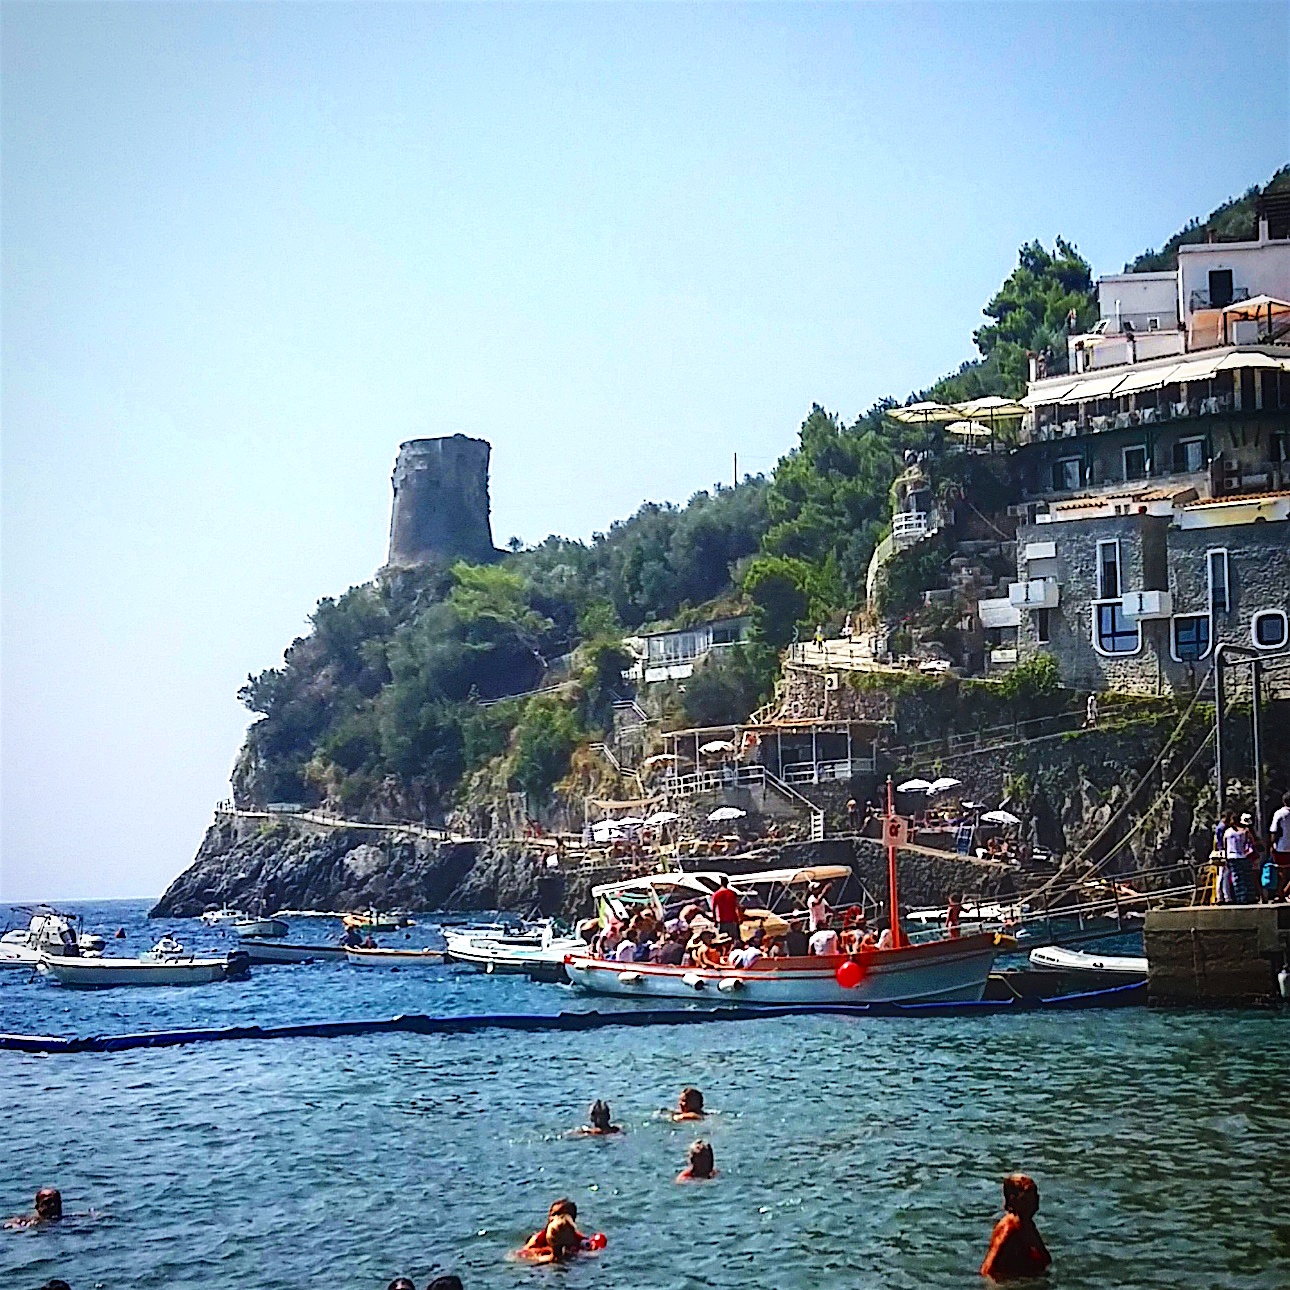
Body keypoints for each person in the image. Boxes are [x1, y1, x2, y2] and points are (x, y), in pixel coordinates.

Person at [980, 1174, 1051, 1282]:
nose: (1036, 1199)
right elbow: (987, 1268)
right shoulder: (1009, 1226)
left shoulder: (1027, 1224)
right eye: (1028, 1195)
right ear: (1013, 1199)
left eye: (1035, 1193)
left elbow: (1046, 1260)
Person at [1226, 813, 1258, 904]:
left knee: (1237, 878)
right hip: (1243, 856)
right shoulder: (1245, 831)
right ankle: (1250, 896)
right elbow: (1252, 841)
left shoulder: (1228, 832)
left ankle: (1241, 898)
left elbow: (1225, 845)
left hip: (1232, 856)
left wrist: (1225, 857)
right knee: (1247, 877)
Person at [1270, 792, 1290, 900]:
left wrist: (1272, 844)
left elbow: (1274, 830)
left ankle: (1281, 893)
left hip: (1282, 846)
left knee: (1282, 871)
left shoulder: (1279, 813)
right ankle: (1285, 891)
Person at [711, 877, 743, 941]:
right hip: (733, 920)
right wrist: (740, 918)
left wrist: (715, 921)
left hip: (722, 921)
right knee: (735, 940)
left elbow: (713, 909)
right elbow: (737, 907)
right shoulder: (732, 893)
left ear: (720, 883)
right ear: (727, 883)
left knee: (722, 940)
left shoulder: (716, 894)